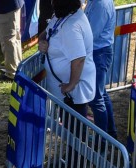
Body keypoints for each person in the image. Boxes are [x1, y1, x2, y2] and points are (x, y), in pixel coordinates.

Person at [38, 0, 95, 116]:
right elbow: (46, 32)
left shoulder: (71, 26)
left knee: (75, 131)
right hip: (65, 93)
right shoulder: (64, 16)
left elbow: (79, 59)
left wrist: (70, 85)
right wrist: (42, 41)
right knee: (68, 129)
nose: (51, 3)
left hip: (72, 95)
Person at [85, 0, 117, 139]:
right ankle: (110, 133)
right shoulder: (95, 2)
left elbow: (91, 34)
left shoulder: (100, 4)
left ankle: (102, 140)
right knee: (101, 94)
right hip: (98, 51)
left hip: (99, 52)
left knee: (96, 98)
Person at [0, 0, 23, 81]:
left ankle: (11, 73)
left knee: (7, 40)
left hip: (6, 7)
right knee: (15, 38)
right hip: (12, 5)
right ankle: (17, 67)